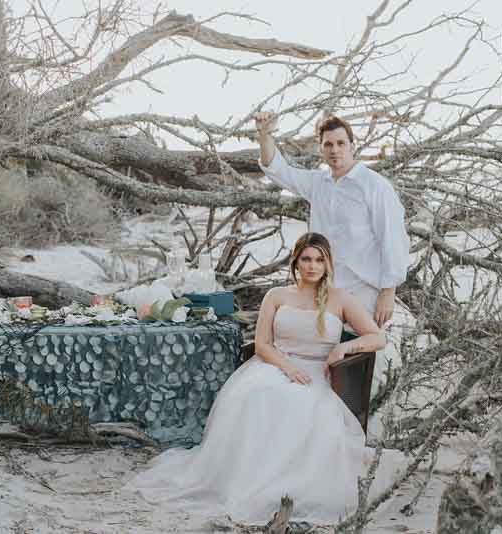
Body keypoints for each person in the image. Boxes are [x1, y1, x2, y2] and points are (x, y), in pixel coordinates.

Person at [126, 233, 390, 524]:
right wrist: (286, 367)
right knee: (256, 394)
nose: (312, 266)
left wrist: (344, 346)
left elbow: (377, 337)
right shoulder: (276, 296)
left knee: (301, 403)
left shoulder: (341, 299)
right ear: (296, 262)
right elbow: (263, 343)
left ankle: (284, 484)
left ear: (328, 264)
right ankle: (245, 481)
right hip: (275, 363)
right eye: (306, 259)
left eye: (319, 260)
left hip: (316, 372)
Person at [254, 112, 409, 329]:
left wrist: (389, 292)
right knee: (327, 354)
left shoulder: (375, 186)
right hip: (326, 289)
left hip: (365, 291)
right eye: (328, 144)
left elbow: (392, 238)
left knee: (361, 354)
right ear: (321, 149)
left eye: (340, 143)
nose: (334, 150)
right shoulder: (318, 183)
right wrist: (265, 134)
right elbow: (279, 171)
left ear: (352, 146)